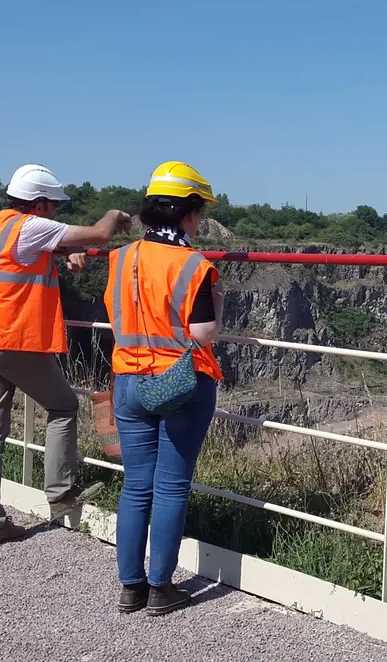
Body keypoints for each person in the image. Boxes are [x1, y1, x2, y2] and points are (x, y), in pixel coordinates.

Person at [0, 163, 132, 548]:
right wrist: (114, 215)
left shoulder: (0, 223)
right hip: (11, 342)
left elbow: (27, 255)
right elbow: (101, 233)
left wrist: (65, 251)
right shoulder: (31, 226)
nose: (54, 210)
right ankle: (61, 494)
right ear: (38, 205)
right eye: (52, 204)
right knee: (63, 406)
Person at [103, 161, 224, 616]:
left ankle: (130, 588)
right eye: (199, 210)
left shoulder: (121, 257)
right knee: (171, 487)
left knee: (136, 486)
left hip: (128, 382)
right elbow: (204, 334)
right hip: (178, 384)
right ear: (188, 213)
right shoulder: (194, 264)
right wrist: (220, 302)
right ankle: (160, 589)